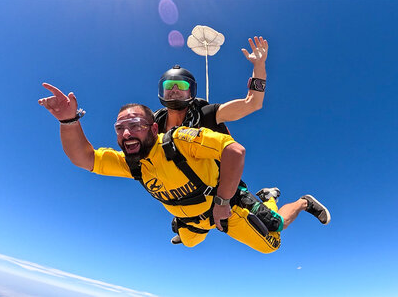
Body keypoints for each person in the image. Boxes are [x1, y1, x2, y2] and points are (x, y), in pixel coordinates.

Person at [38, 84, 331, 254]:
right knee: (189, 243)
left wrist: (222, 202)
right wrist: (68, 121)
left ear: (154, 127)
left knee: (272, 242)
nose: (127, 134)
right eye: (120, 128)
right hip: (190, 221)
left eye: (136, 126)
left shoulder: (178, 140)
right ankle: (181, 226)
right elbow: (82, 157)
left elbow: (234, 151)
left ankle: (297, 201)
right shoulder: (131, 164)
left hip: (224, 210)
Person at [157, 36, 278, 244]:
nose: (174, 89)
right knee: (190, 242)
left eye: (181, 85)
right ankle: (186, 227)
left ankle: (273, 197)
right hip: (191, 196)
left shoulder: (207, 113)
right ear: (162, 90)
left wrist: (259, 66)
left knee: (275, 231)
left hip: (223, 190)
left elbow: (253, 103)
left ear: (191, 91)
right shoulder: (155, 125)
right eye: (170, 85)